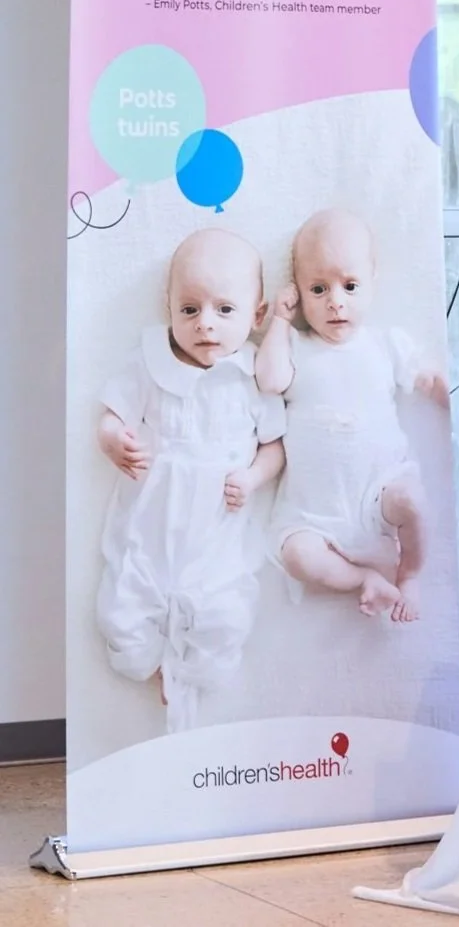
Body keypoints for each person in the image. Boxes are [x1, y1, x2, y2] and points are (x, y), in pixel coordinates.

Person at [95, 227, 285, 733]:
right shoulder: (149, 363)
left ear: (257, 315)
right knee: (123, 619)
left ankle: (189, 673)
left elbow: (275, 446)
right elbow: (112, 414)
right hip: (150, 526)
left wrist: (252, 476)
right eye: (190, 310)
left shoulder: (251, 377)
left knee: (224, 620)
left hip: (216, 535)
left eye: (225, 310)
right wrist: (114, 439)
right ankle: (154, 663)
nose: (205, 325)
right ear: (169, 308)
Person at [257, 209, 447, 622]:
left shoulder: (385, 344)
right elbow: (270, 381)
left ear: (372, 281)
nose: (336, 302)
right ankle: (362, 578)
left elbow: (428, 380)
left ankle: (409, 574)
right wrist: (278, 320)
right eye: (319, 288)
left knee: (412, 500)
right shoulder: (295, 345)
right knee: (297, 556)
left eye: (350, 286)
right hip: (312, 512)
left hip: (378, 492)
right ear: (299, 292)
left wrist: (450, 395)